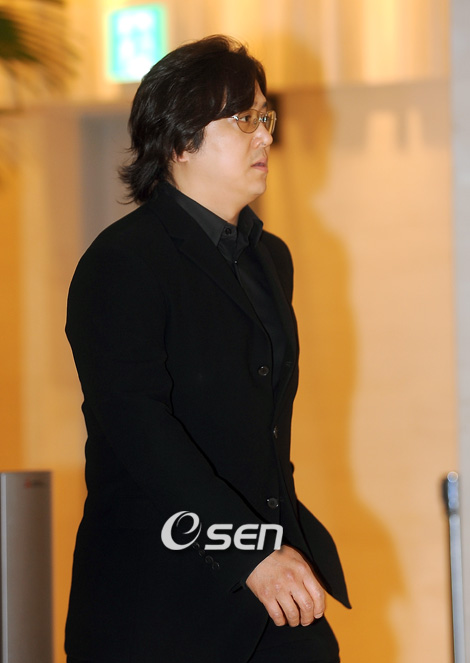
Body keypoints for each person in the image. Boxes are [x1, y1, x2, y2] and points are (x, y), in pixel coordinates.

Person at [64, 35, 350, 663]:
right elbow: (140, 428)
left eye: (266, 117)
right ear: (179, 141)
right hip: (160, 600)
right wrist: (248, 552)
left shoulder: (270, 258)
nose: (265, 136)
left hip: (271, 589)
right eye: (244, 119)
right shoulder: (122, 262)